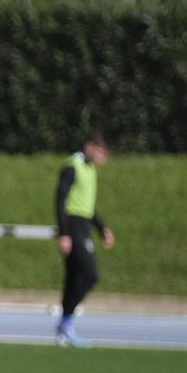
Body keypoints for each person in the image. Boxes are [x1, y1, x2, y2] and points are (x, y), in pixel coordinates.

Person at [54, 135, 114, 348]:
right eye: (100, 153)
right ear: (89, 147)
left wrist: (101, 228)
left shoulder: (90, 170)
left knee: (72, 278)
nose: (102, 158)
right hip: (73, 226)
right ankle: (66, 322)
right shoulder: (73, 166)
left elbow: (87, 205)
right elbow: (60, 199)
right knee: (90, 275)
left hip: (84, 225)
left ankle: (63, 329)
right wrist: (64, 233)